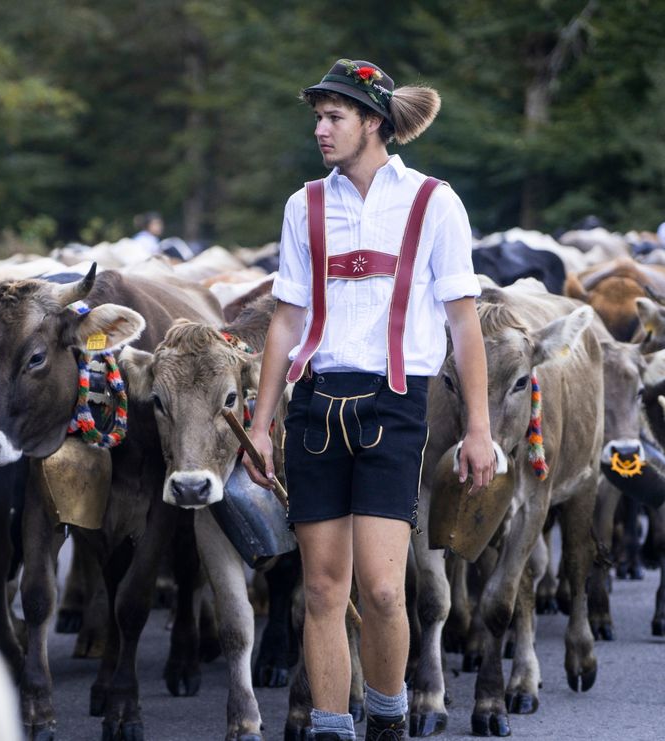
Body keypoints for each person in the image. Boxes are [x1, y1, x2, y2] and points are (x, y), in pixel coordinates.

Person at [243, 59, 495, 741]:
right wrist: (260, 424)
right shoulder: (305, 205)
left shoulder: (433, 202)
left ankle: (386, 717)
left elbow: (464, 322)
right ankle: (332, 727)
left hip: (395, 404)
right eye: (318, 117)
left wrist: (479, 427)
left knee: (383, 588)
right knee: (322, 590)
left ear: (374, 122)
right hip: (317, 404)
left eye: (335, 117)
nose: (321, 129)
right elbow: (287, 322)